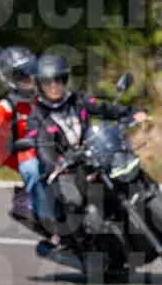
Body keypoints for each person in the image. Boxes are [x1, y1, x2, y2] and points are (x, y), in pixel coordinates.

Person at [26, 53, 147, 245]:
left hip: (92, 155)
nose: (54, 86)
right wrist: (55, 163)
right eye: (48, 82)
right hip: (66, 167)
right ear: (40, 85)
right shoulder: (37, 115)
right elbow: (42, 145)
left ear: (65, 80)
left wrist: (130, 113)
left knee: (125, 173)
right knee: (74, 200)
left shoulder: (77, 100)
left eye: (58, 79)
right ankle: (79, 242)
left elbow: (103, 108)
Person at [0, 46, 49, 234]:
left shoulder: (47, 96)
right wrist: (17, 161)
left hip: (59, 149)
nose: (29, 77)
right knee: (32, 168)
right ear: (10, 79)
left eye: (31, 71)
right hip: (31, 155)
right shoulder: (7, 107)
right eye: (22, 75)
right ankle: (36, 206)